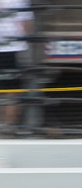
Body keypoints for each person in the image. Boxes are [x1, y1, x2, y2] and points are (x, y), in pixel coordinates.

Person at [0, 0, 32, 131]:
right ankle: (8, 127)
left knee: (10, 90)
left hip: (10, 49)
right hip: (11, 49)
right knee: (12, 91)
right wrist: (28, 43)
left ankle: (7, 126)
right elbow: (26, 22)